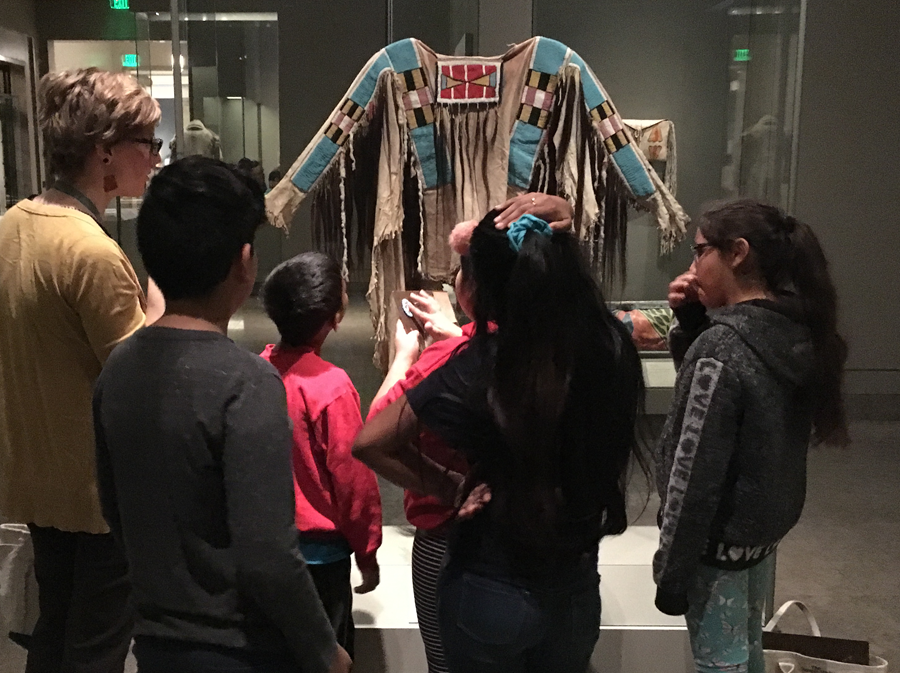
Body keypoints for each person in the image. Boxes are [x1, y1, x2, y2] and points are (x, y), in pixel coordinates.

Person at [354, 208, 644, 673]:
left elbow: (369, 441)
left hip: (490, 579)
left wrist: (451, 486)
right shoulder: (608, 349)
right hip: (573, 579)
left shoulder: (476, 362)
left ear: (479, 289)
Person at [92, 157, 351, 673]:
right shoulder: (246, 382)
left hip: (158, 642)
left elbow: (116, 512)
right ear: (245, 261)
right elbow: (269, 555)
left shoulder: (118, 367)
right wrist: (326, 649)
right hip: (242, 649)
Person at [0, 67, 164, 673]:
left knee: (54, 634)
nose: (152, 158)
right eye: (146, 143)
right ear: (104, 150)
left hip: (36, 479)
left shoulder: (11, 226)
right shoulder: (91, 251)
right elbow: (140, 380)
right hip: (97, 495)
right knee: (95, 649)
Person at [652, 199, 848, 673]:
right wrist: (695, 324)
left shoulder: (722, 347)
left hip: (715, 548)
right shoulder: (792, 326)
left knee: (722, 664)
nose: (693, 266)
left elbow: (693, 470)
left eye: (700, 251)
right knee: (746, 654)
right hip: (757, 540)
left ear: (736, 252)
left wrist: (671, 574)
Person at [259, 251, 383, 659]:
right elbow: (352, 479)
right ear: (336, 315)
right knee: (328, 655)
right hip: (320, 558)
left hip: (267, 549)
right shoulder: (331, 387)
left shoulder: (256, 373)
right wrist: (368, 552)